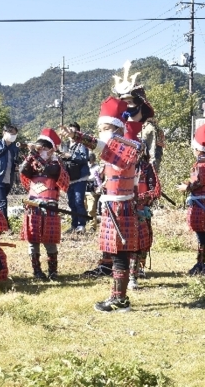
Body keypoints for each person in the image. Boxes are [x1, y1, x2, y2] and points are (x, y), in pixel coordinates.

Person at [61, 95, 146, 312]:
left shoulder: (128, 147)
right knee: (118, 253)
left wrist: (79, 137)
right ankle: (119, 297)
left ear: (117, 128)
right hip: (115, 205)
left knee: (120, 254)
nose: (102, 133)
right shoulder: (118, 149)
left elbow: (102, 147)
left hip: (121, 207)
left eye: (106, 127)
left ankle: (120, 299)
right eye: (100, 128)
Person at [19, 128, 70, 280]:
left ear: (52, 149)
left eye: (44, 148)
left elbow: (50, 171)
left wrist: (35, 154)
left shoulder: (57, 163)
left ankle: (53, 271)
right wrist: (30, 155)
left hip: (50, 205)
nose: (40, 151)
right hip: (33, 203)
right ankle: (37, 271)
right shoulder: (33, 163)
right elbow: (23, 170)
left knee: (50, 239)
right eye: (38, 147)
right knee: (33, 238)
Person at [178, 123, 205, 275]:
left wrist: (186, 187)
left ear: (197, 148)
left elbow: (198, 181)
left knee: (202, 237)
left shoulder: (200, 163)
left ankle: (201, 265)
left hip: (198, 205)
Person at [129, 150, 161, 289]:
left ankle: (137, 271)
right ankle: (126, 273)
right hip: (124, 209)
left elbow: (155, 191)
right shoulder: (123, 166)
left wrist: (139, 200)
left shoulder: (147, 168)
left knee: (141, 243)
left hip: (141, 210)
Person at [61, 122, 90, 233]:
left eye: (73, 131)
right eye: (69, 131)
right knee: (71, 202)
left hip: (80, 177)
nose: (70, 133)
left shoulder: (82, 143)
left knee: (78, 201)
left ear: (78, 132)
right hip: (70, 177)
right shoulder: (66, 145)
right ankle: (74, 224)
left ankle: (81, 225)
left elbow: (84, 158)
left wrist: (71, 156)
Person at [0, 124, 20, 220]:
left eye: (14, 133)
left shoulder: (15, 148)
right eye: (10, 132)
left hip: (9, 178)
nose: (12, 135)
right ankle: (5, 226)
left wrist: (17, 165)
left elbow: (16, 161)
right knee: (3, 202)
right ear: (4, 133)